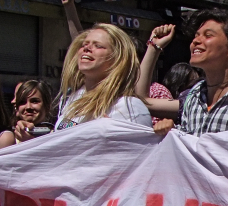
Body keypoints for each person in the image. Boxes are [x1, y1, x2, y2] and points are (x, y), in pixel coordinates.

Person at [16, 23, 149, 141]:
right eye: (84, 45)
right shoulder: (72, 99)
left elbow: (140, 157)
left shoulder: (130, 107)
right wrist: (32, 139)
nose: (87, 48)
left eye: (98, 46)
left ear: (117, 59)